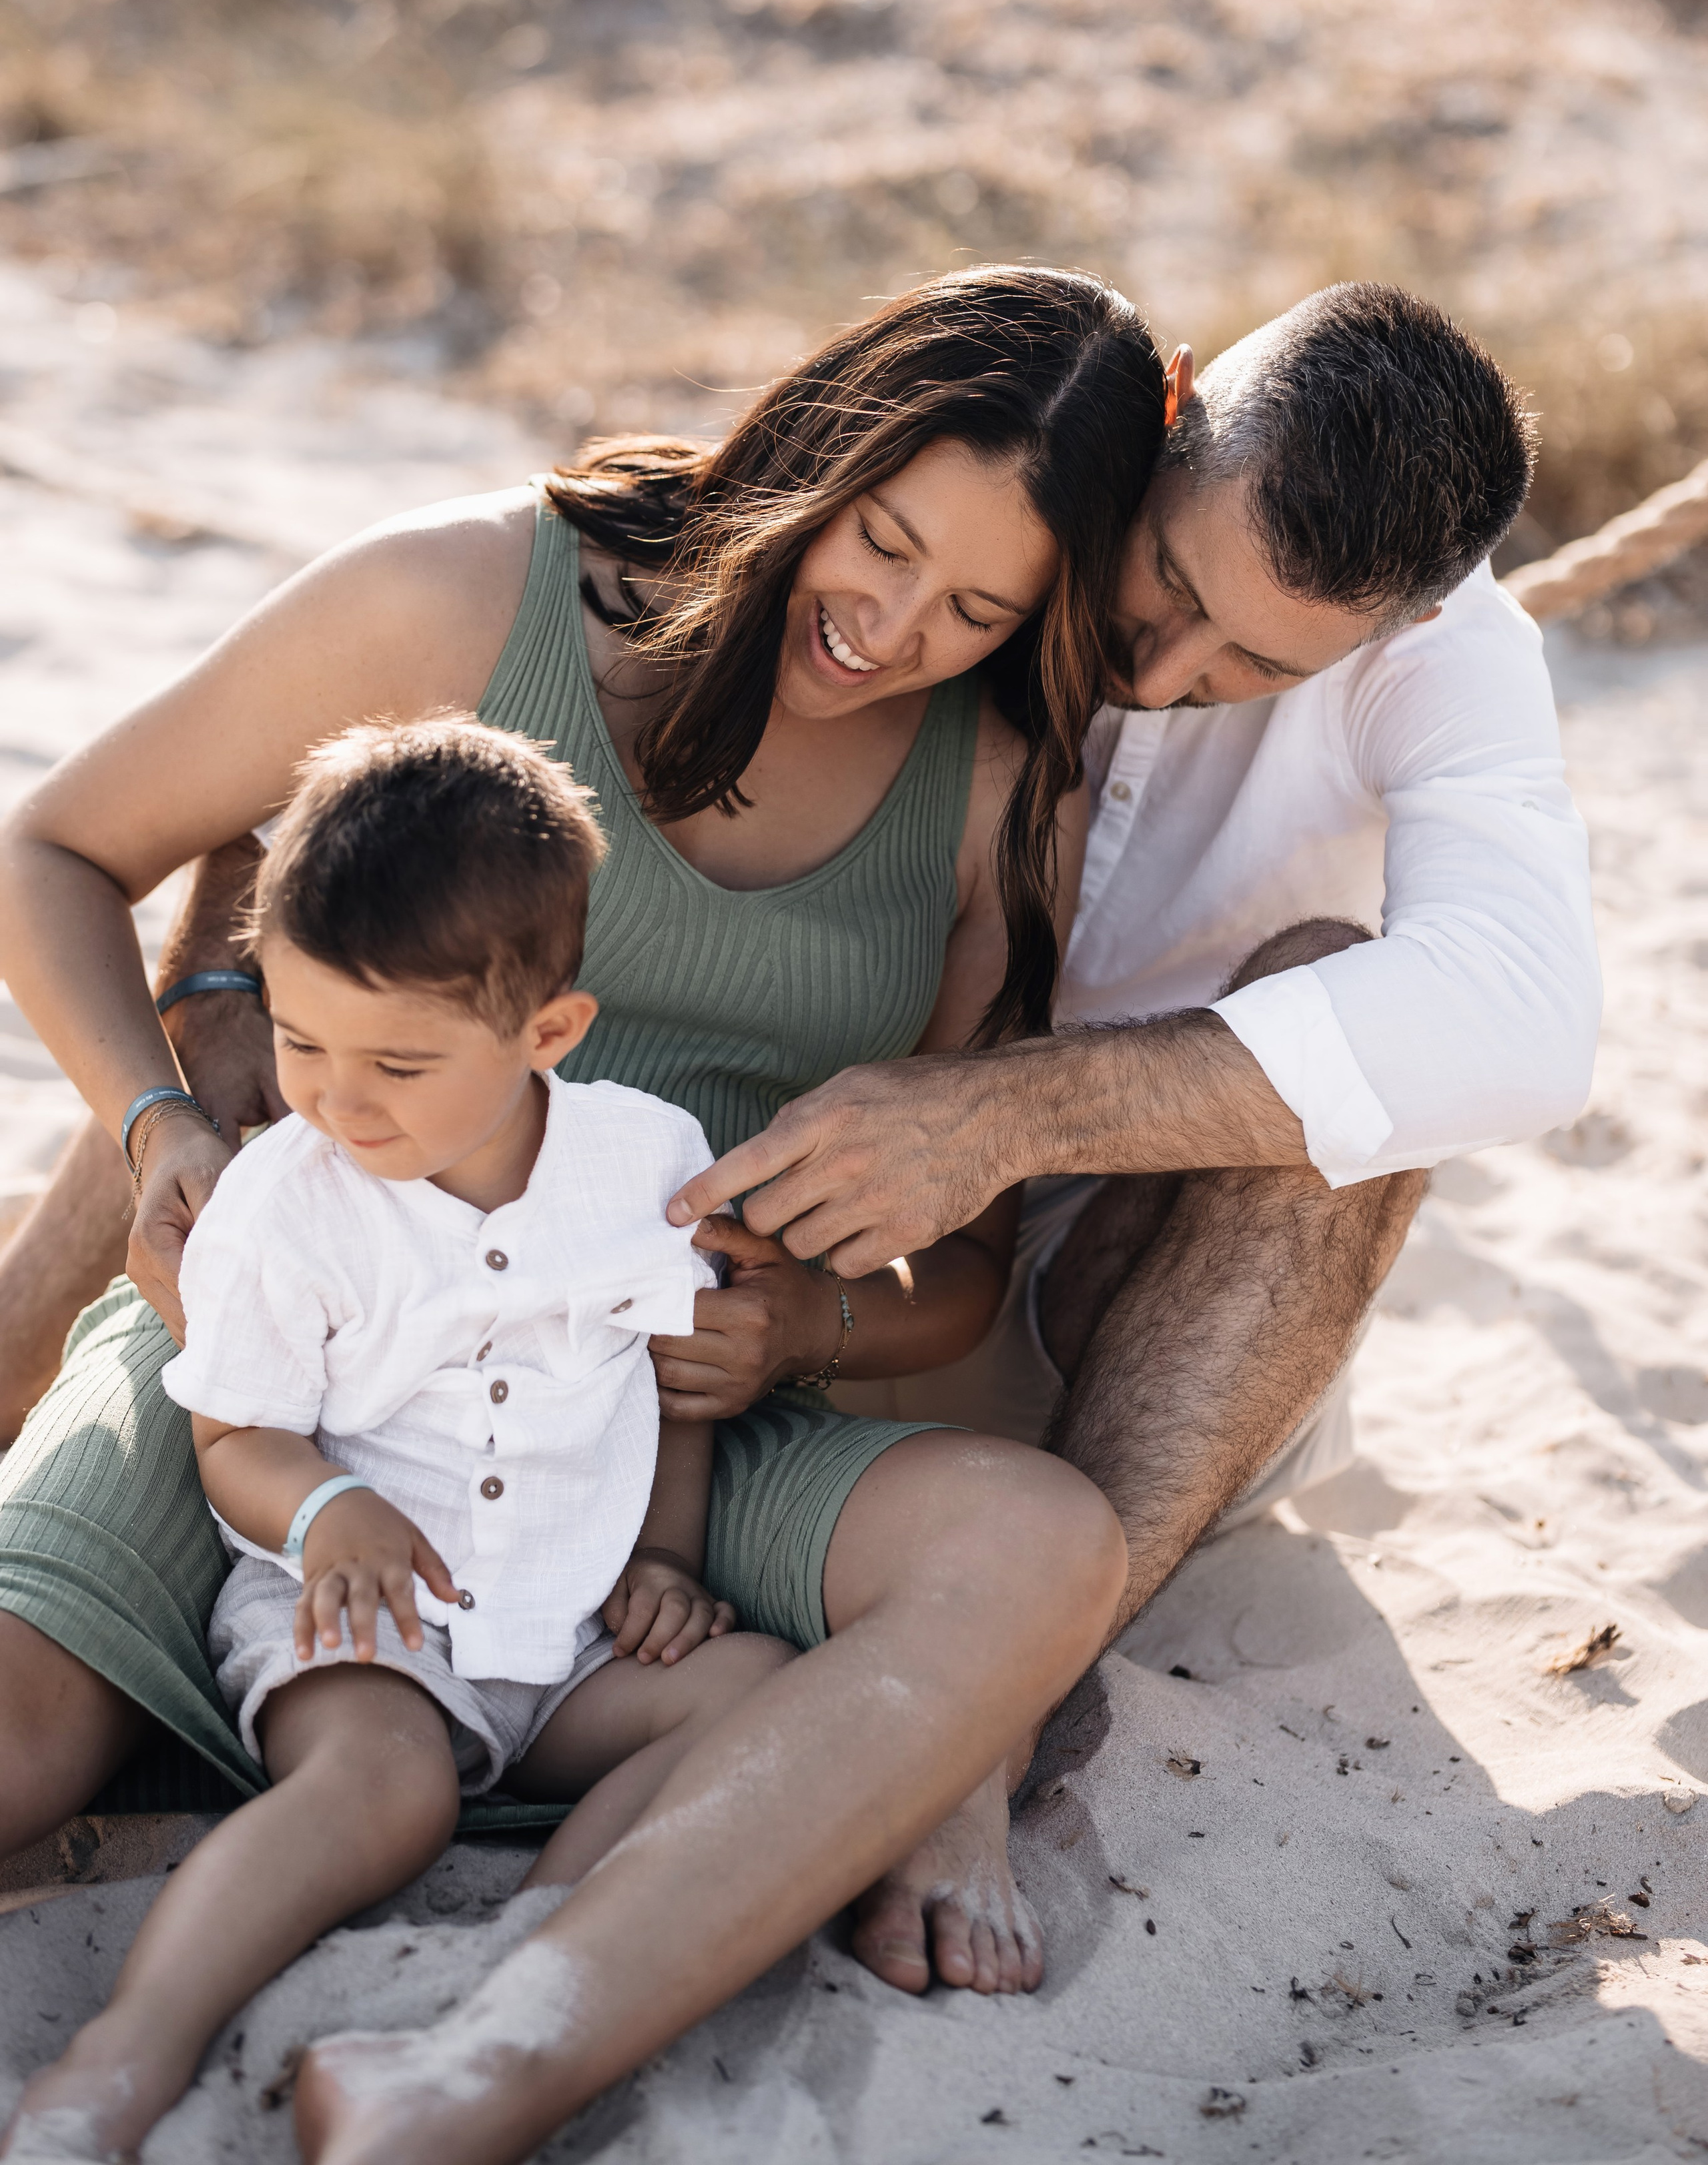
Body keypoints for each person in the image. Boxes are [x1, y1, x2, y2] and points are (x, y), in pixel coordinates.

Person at [0, 266, 1156, 2054]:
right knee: (17, 1738)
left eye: (979, 606)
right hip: (298, 1349)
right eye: (882, 538)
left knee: (1031, 1536)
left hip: (665, 1447)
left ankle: (484, 2021)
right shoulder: (462, 595)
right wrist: (162, 1129)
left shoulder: (998, 788)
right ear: (817, 446)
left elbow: (960, 1266)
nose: (895, 624)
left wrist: (807, 1339)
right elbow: (55, 849)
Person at [666, 283, 1603, 1765]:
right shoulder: (1019, 460)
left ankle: (1002, 1696)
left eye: (1255, 665)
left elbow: (1526, 1022)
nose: (1160, 676)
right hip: (777, 1227)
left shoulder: (1448, 652)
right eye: (1165, 579)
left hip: (1131, 1334)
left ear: (1407, 621)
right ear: (1170, 411)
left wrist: (1005, 1115)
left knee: (1335, 1020)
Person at [5, 719, 813, 2162]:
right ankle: (130, 2049)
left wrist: (671, 1561)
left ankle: (528, 1941)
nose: (333, 1097)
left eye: (396, 1061)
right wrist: (324, 1516)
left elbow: (668, 1379)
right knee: (387, 1787)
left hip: (565, 1631)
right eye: (301, 1036)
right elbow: (237, 1432)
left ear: (546, 1032)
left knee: (757, 1693)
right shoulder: (282, 1196)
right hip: (359, 1612)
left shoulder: (645, 1163)